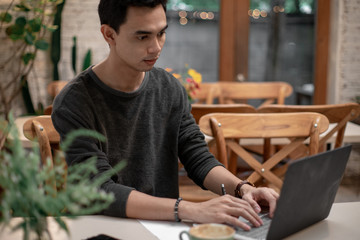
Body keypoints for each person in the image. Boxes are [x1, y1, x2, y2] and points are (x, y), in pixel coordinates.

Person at [51, 0, 278, 231]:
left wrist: (244, 189)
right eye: (143, 37)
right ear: (109, 34)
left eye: (161, 34)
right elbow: (99, 189)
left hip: (165, 228)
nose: (156, 47)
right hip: (103, 228)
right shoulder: (75, 101)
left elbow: (198, 156)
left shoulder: (169, 88)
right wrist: (190, 209)